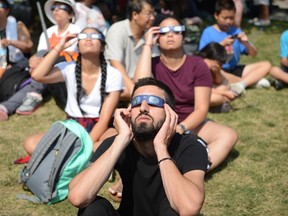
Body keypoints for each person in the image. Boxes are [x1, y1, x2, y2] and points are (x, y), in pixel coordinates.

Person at [68, 77, 210, 216]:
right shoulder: (117, 144)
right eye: (136, 102)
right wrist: (121, 139)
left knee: (174, 209)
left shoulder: (189, 147)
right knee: (93, 209)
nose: (143, 108)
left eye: (154, 102)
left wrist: (160, 147)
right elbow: (78, 197)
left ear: (170, 113)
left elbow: (189, 208)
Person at [134, 15, 237, 171]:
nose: (170, 35)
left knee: (228, 135)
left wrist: (179, 129)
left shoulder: (198, 64)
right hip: (158, 121)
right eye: (163, 31)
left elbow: (201, 109)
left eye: (176, 31)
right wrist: (147, 45)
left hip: (189, 122)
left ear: (183, 37)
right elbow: (140, 86)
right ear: (157, 37)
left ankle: (193, 169)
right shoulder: (151, 64)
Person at [22, 27, 123, 156]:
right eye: (83, 36)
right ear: (78, 46)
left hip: (102, 128)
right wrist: (59, 47)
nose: (88, 39)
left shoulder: (113, 74)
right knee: (30, 143)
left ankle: (73, 155)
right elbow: (37, 75)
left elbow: (104, 119)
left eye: (94, 36)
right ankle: (85, 157)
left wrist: (85, 147)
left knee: (112, 141)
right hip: (73, 127)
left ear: (103, 47)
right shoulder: (69, 68)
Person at [15, 0, 81, 115]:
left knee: (42, 59)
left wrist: (42, 60)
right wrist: (33, 60)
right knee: (32, 74)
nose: (56, 9)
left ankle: (35, 93)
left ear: (71, 14)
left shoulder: (76, 30)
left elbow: (68, 54)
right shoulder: (48, 31)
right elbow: (39, 54)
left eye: (61, 7)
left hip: (64, 67)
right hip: (45, 68)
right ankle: (6, 107)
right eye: (54, 7)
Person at [199, 0, 271, 94]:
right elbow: (202, 57)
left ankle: (241, 84)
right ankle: (250, 81)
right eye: (225, 18)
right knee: (217, 72)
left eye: (231, 18)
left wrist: (246, 43)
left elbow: (254, 54)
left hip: (234, 68)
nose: (228, 21)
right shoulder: (208, 32)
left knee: (267, 65)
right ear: (216, 15)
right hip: (219, 70)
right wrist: (221, 44)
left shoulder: (235, 31)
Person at [104, 0, 156, 101]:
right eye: (148, 14)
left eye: (153, 13)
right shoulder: (117, 30)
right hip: (116, 82)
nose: (152, 17)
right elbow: (115, 64)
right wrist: (134, 90)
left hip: (140, 82)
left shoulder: (149, 34)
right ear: (135, 14)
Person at [195, 42, 240, 113]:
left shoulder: (209, 66)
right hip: (195, 94)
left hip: (207, 91)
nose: (219, 66)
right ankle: (224, 101)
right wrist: (225, 94)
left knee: (225, 85)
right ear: (210, 58)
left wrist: (217, 72)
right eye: (218, 63)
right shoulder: (196, 66)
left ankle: (216, 105)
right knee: (213, 98)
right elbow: (200, 89)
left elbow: (221, 82)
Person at [0, 0, 33, 78]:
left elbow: (28, 47)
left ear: (7, 10)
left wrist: (11, 42)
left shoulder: (18, 25)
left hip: (18, 65)